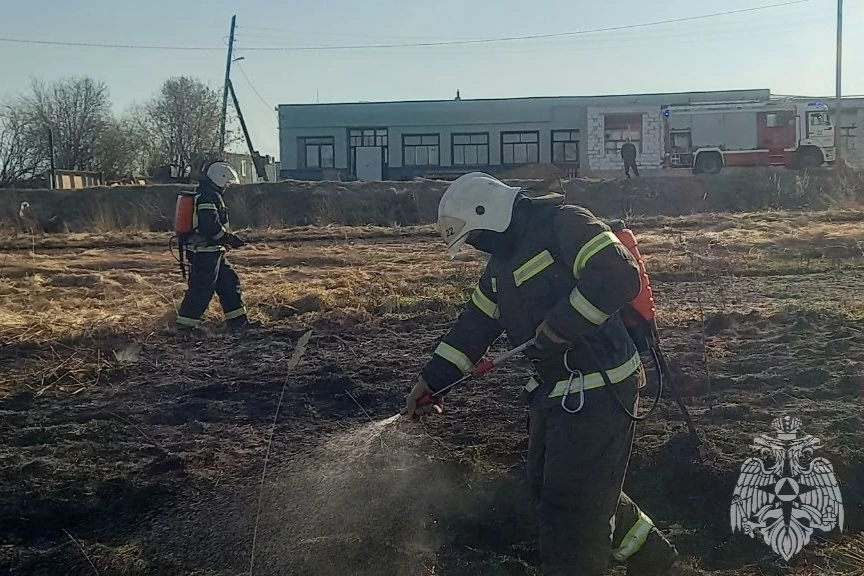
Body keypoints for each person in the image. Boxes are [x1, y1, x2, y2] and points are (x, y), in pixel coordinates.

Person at [402, 172, 680, 575]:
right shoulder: (500, 268)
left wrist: (561, 325)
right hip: (555, 392)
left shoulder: (566, 223)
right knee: (556, 490)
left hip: (601, 386)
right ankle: (654, 558)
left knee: (573, 511)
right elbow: (475, 326)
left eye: (476, 237)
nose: (477, 247)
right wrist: (432, 382)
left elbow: (618, 273)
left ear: (491, 214)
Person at [175, 161, 260, 333]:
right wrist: (229, 239)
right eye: (227, 183)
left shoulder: (209, 194)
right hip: (205, 252)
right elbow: (209, 226)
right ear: (220, 179)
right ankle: (185, 327)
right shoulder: (208, 196)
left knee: (229, 283)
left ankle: (238, 322)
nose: (227, 187)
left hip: (212, 251)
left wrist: (226, 240)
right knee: (202, 288)